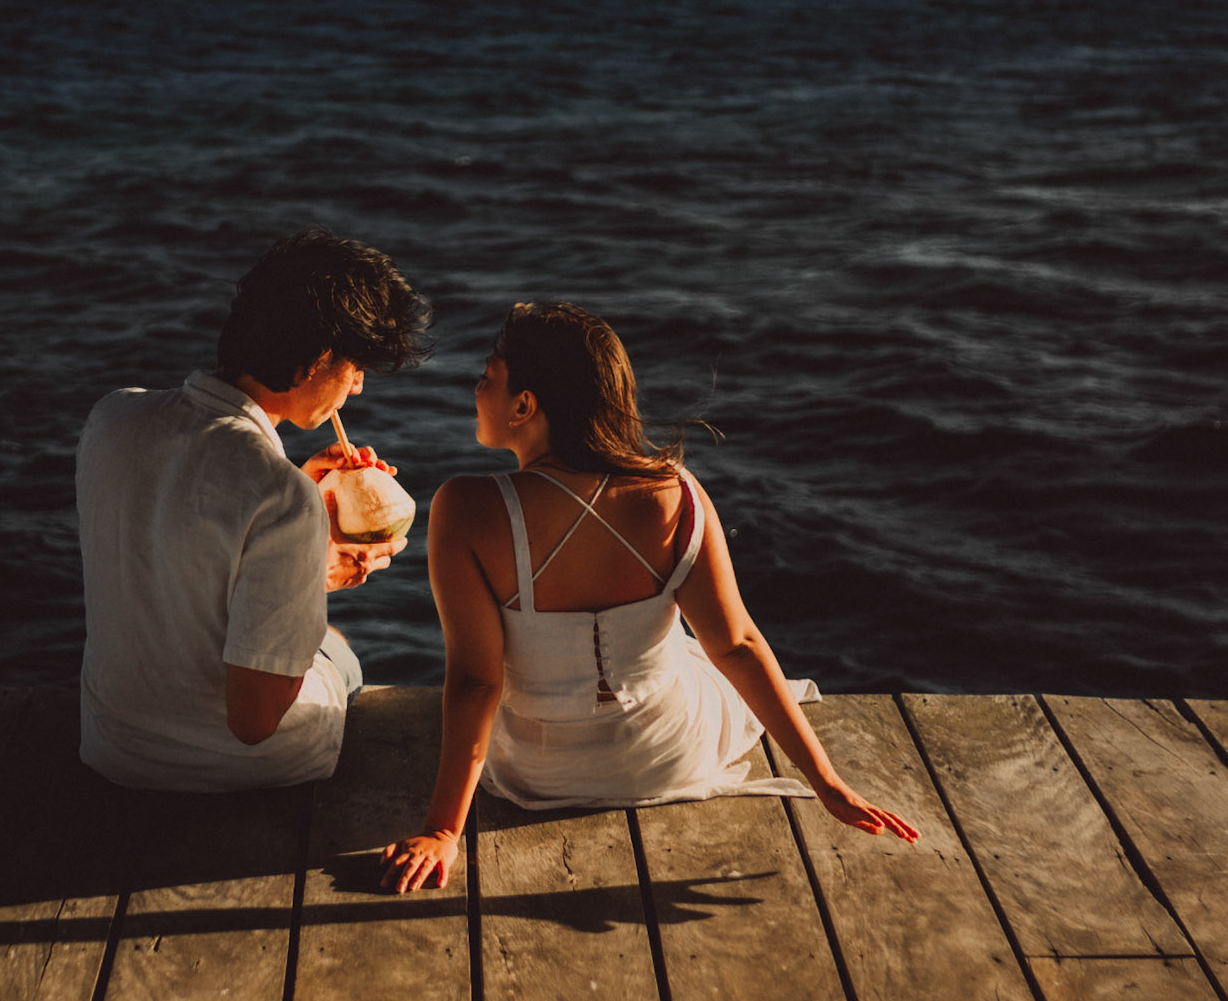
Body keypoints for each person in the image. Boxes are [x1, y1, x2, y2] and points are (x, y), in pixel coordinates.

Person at [381, 301, 917, 891]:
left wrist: (442, 832)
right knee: (690, 653)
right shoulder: (675, 494)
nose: (477, 389)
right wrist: (828, 783)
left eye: (488, 378)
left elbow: (476, 682)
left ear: (525, 405)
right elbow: (736, 644)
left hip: (539, 776)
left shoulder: (465, 507)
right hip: (666, 756)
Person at [78, 228, 427, 791]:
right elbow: (253, 722)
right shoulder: (281, 497)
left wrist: (302, 503)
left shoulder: (112, 419)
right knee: (339, 654)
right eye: (355, 367)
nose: (357, 388)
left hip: (112, 744)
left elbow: (181, 547)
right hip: (238, 765)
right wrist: (312, 573)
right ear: (316, 362)